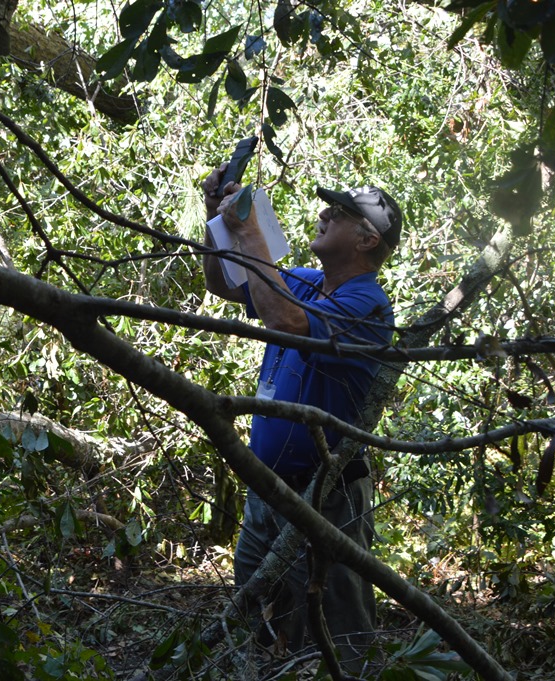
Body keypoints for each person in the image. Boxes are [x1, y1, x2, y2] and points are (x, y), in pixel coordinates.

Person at [201, 166, 403, 671]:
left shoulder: (367, 305)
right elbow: (225, 283)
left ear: (366, 238)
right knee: (260, 618)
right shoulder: (309, 284)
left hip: (324, 497)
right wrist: (218, 221)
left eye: (338, 213)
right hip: (268, 492)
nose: (323, 214)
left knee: (340, 630)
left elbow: (284, 320)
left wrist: (250, 232)